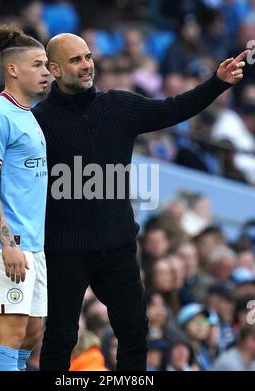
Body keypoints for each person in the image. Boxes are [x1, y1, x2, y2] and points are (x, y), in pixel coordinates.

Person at [32, 32, 248, 371]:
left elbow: (174, 108)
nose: (86, 65)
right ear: (54, 69)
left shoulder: (119, 105)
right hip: (64, 249)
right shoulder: (38, 121)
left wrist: (217, 83)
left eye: (88, 56)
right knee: (60, 337)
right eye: (76, 60)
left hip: (117, 245)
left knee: (135, 333)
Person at [0, 25, 49, 371]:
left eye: (47, 65)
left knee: (33, 331)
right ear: (13, 69)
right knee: (11, 332)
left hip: (32, 242)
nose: (47, 72)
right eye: (37, 65)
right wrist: (8, 243)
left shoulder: (28, 115)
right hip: (7, 242)